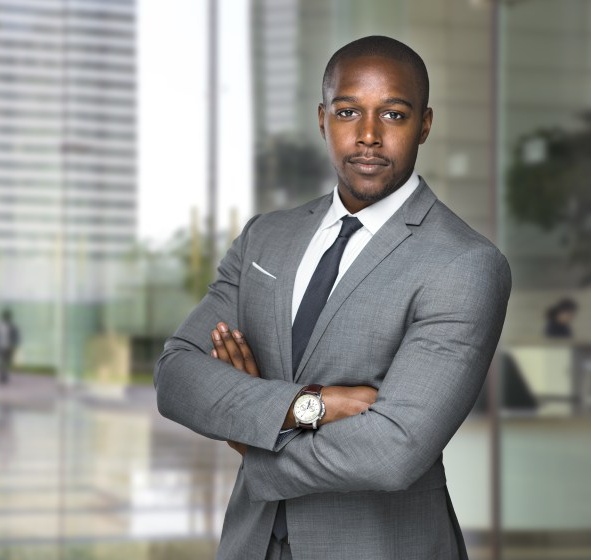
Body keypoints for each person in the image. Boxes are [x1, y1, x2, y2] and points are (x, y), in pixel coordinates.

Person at [154, 36, 512, 560]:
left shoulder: (464, 264)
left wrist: (250, 436)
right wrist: (309, 406)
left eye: (393, 114)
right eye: (348, 112)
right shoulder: (265, 238)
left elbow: (395, 450)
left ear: (425, 125)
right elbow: (177, 375)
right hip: (250, 544)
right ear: (323, 118)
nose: (368, 136)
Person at [0, 308, 20, 384]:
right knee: (2, 361)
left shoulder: (11, 326)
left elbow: (15, 336)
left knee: (6, 361)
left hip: (8, 347)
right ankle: (3, 376)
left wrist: (14, 345)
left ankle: (4, 375)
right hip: (0, 346)